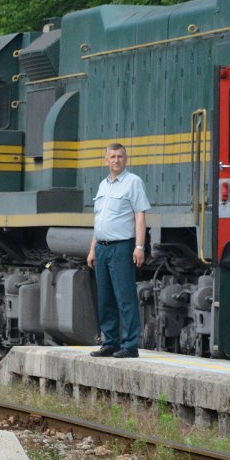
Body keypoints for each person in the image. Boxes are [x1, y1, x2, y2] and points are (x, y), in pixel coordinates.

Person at [87, 143, 150, 359]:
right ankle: (110, 342)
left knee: (125, 297)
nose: (116, 160)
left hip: (122, 246)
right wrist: (92, 249)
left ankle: (130, 344)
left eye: (120, 156)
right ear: (106, 161)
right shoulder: (103, 185)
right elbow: (99, 220)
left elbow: (140, 215)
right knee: (105, 298)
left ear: (126, 159)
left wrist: (139, 247)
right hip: (102, 247)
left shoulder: (133, 183)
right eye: (112, 156)